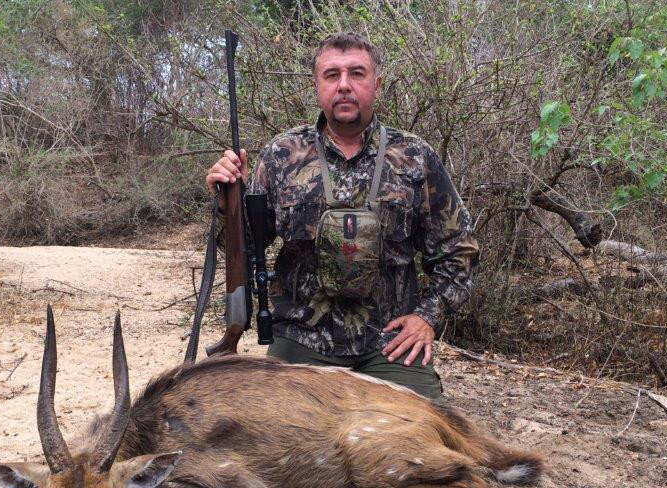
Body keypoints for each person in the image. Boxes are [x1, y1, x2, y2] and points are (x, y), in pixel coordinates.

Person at [205, 32, 479, 400]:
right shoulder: (281, 155)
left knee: (429, 443)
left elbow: (459, 250)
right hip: (302, 341)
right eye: (332, 75)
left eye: (357, 74)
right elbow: (241, 246)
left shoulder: (415, 157)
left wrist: (427, 316)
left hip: (389, 344)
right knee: (279, 445)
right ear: (317, 85)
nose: (345, 85)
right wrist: (226, 201)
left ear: (377, 83)